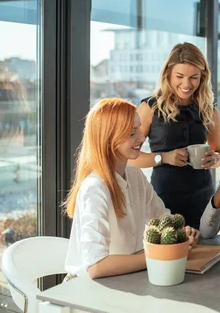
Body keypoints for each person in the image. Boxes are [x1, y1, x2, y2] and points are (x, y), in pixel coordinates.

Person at [63, 98, 199, 279]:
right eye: (132, 133)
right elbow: (95, 266)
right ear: (109, 138)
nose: (142, 138)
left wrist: (182, 234)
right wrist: (160, 256)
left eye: (140, 129)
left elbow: (163, 219)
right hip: (89, 289)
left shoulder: (134, 175)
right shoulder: (95, 188)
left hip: (128, 278)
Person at [129, 43, 220, 229]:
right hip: (163, 198)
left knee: (203, 252)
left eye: (194, 77)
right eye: (179, 76)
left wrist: (215, 158)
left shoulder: (209, 110)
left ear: (202, 77)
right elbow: (130, 157)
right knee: (168, 253)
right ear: (168, 74)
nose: (187, 84)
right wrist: (163, 157)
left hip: (202, 196)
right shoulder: (150, 108)